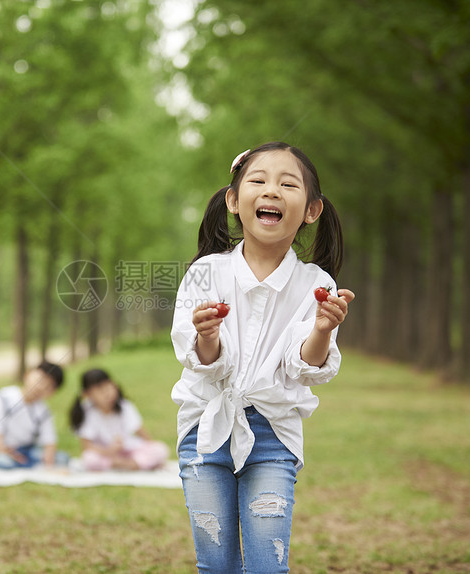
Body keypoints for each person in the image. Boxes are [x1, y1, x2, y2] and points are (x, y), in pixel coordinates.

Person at [171, 142, 355, 573]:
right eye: (258, 180)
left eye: (287, 184)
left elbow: (303, 366)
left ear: (311, 210)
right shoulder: (205, 273)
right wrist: (207, 335)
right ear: (234, 201)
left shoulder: (316, 283)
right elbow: (201, 360)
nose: (271, 190)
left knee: (267, 564)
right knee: (215, 563)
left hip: (273, 436)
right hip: (205, 429)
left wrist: (323, 330)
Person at [70, 368, 169, 471]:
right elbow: (86, 446)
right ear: (87, 394)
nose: (107, 393)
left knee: (160, 449)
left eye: (109, 387)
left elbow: (140, 431)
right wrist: (108, 451)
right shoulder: (87, 411)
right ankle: (128, 464)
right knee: (89, 458)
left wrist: (151, 446)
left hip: (129, 450)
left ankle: (130, 463)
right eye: (100, 390)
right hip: (105, 453)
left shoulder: (124, 406)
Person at [0, 361, 69, 469]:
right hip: (5, 448)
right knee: (3, 462)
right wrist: (4, 451)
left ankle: (25, 462)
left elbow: (49, 440)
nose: (41, 387)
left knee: (63, 458)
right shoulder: (4, 396)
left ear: (52, 393)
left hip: (30, 450)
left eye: (48, 386)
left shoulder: (44, 411)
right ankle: (23, 462)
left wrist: (49, 464)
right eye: (40, 380)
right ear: (27, 375)